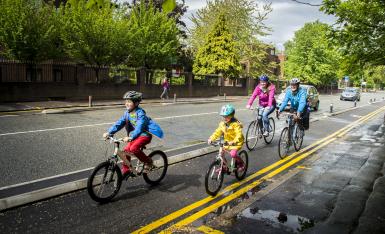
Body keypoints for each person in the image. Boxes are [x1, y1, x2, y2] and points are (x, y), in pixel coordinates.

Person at [103, 91, 164, 175]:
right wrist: (109, 132)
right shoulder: (127, 113)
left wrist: (131, 137)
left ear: (136, 103)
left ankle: (148, 162)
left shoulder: (140, 114)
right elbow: (119, 123)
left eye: (129, 102)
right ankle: (127, 170)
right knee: (125, 151)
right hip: (135, 136)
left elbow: (139, 127)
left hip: (144, 135)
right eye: (126, 102)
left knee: (133, 149)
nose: (127, 104)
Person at [208, 104, 245, 171]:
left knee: (233, 154)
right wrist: (211, 138)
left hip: (236, 142)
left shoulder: (236, 124)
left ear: (231, 116)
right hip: (227, 142)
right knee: (221, 154)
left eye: (226, 116)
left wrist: (234, 141)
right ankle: (224, 166)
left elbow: (238, 134)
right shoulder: (222, 123)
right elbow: (217, 132)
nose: (224, 118)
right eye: (223, 116)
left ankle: (241, 163)